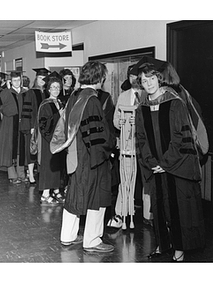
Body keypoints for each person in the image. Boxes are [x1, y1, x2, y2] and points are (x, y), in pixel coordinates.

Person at [135, 62, 205, 262]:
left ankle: (180, 248)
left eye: (151, 78)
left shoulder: (174, 103)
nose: (148, 83)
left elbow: (181, 138)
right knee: (160, 208)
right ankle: (164, 243)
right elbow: (141, 139)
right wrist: (150, 161)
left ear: (159, 78)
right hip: (156, 167)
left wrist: (163, 163)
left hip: (175, 167)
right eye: (144, 80)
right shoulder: (142, 108)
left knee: (178, 209)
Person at [51, 61, 115, 253]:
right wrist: (109, 147)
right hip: (91, 158)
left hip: (74, 156)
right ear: (99, 78)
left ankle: (68, 236)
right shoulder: (92, 100)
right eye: (103, 77)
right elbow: (96, 134)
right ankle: (92, 240)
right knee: (97, 196)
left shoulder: (74, 96)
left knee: (74, 194)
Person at [107, 64, 150, 229]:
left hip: (145, 147)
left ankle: (150, 216)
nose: (134, 79)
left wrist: (139, 122)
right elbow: (116, 120)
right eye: (131, 76)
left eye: (137, 76)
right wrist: (122, 122)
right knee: (125, 179)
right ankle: (121, 214)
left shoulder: (149, 95)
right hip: (127, 145)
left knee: (148, 182)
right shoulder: (123, 96)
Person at [38, 72, 65, 205]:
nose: (56, 89)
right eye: (53, 87)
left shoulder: (59, 102)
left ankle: (55, 190)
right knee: (48, 167)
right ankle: (45, 194)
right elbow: (43, 125)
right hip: (48, 140)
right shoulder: (46, 104)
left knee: (56, 166)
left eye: (58, 87)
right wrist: (52, 139)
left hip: (58, 140)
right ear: (48, 89)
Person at [20, 67, 51, 184]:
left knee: (42, 151)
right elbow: (27, 111)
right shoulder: (30, 93)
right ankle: (31, 174)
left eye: (44, 79)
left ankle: (41, 172)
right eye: (40, 78)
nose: (42, 80)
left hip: (45, 127)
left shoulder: (48, 93)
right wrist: (31, 127)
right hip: (34, 127)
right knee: (32, 151)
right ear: (36, 79)